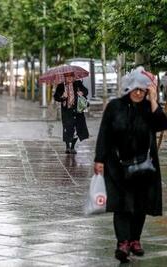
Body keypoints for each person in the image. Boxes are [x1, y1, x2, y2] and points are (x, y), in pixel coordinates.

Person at [94, 66, 167, 263]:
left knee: (140, 205)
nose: (138, 92)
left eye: (142, 89)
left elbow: (162, 124)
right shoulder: (115, 106)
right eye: (135, 89)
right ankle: (123, 243)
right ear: (128, 88)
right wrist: (99, 159)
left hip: (144, 166)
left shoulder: (149, 107)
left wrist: (153, 100)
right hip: (117, 166)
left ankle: (135, 240)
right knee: (122, 205)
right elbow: (104, 135)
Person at [53, 73, 89, 154]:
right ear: (65, 77)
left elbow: (86, 91)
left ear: (73, 77)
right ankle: (67, 147)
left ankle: (72, 147)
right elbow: (56, 97)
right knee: (67, 129)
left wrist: (82, 93)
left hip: (77, 111)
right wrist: (63, 96)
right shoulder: (61, 86)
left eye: (71, 76)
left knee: (77, 129)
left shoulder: (78, 83)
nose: (69, 78)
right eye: (67, 76)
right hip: (67, 111)